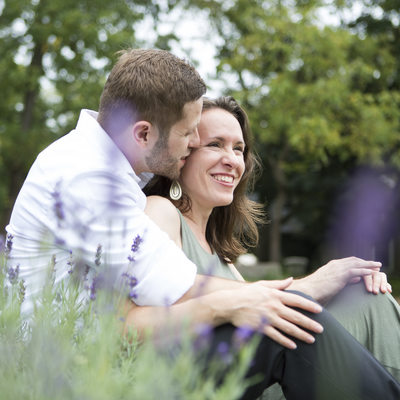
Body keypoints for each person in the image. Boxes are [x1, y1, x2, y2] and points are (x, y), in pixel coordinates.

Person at [6, 49, 399, 399]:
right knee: (283, 320)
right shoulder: (90, 179)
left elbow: (183, 288)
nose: (193, 142)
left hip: (108, 358)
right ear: (143, 133)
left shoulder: (104, 169)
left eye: (238, 148)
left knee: (341, 303)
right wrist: (295, 291)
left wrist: (278, 294)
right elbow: (152, 311)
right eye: (190, 134)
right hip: (82, 376)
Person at [139, 95, 400, 398]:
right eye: (215, 144)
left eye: (239, 149)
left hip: (269, 376)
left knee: (368, 296)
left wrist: (350, 280)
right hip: (196, 382)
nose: (232, 159)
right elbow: (160, 295)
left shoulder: (220, 256)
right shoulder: (160, 210)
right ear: (183, 153)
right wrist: (312, 284)